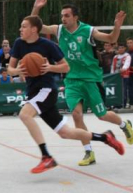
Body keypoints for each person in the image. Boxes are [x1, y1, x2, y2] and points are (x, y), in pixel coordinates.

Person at [8, 15, 125, 174]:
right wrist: (17, 71)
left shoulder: (48, 45)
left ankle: (46, 157)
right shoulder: (18, 44)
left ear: (34, 29)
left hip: (46, 90)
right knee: (65, 133)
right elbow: (10, 69)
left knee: (25, 115)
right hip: (33, 91)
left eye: (23, 26)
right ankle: (105, 137)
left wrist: (50, 68)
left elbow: (66, 67)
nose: (20, 29)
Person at [32, 0, 133, 167]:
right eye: (62, 15)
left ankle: (124, 124)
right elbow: (36, 27)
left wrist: (117, 26)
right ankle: (88, 152)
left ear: (75, 17)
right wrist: (37, 8)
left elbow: (111, 39)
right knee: (76, 115)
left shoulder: (88, 30)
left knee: (101, 115)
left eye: (67, 15)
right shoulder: (59, 30)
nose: (63, 18)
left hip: (90, 78)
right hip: (71, 79)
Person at [111, 43, 131, 108]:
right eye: (119, 48)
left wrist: (123, 69)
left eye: (122, 48)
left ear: (125, 48)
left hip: (124, 75)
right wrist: (112, 74)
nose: (121, 49)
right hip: (116, 76)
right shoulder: (115, 57)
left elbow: (127, 64)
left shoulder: (127, 56)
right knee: (116, 89)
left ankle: (123, 104)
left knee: (123, 90)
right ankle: (116, 104)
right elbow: (112, 66)